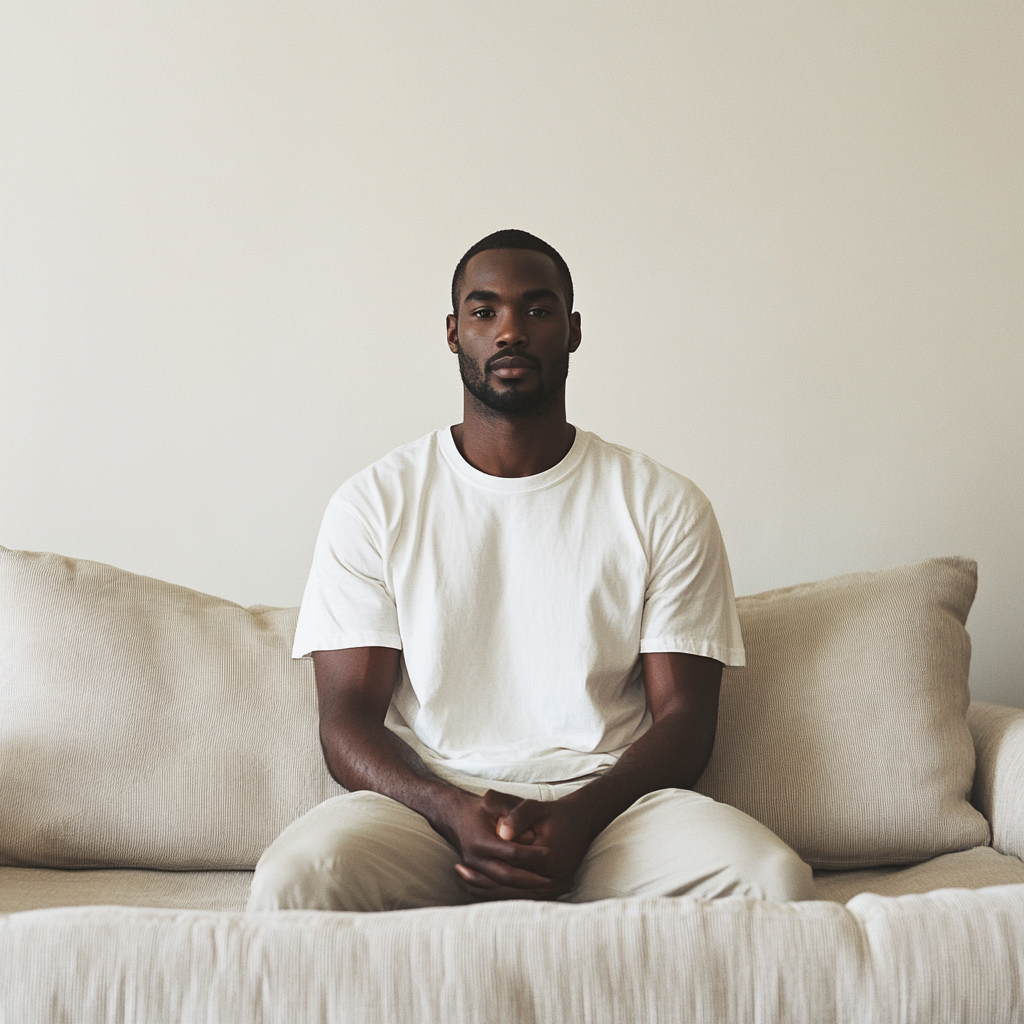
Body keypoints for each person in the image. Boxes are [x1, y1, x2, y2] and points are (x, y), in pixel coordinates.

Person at [247, 230, 815, 912]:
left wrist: (578, 816)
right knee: (295, 883)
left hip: (612, 811)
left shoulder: (662, 503)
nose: (510, 331)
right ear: (453, 333)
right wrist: (454, 810)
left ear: (573, 332)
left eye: (537, 311)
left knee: (771, 879)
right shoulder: (374, 503)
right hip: (429, 813)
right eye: (485, 312)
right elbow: (345, 719)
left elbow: (686, 720)